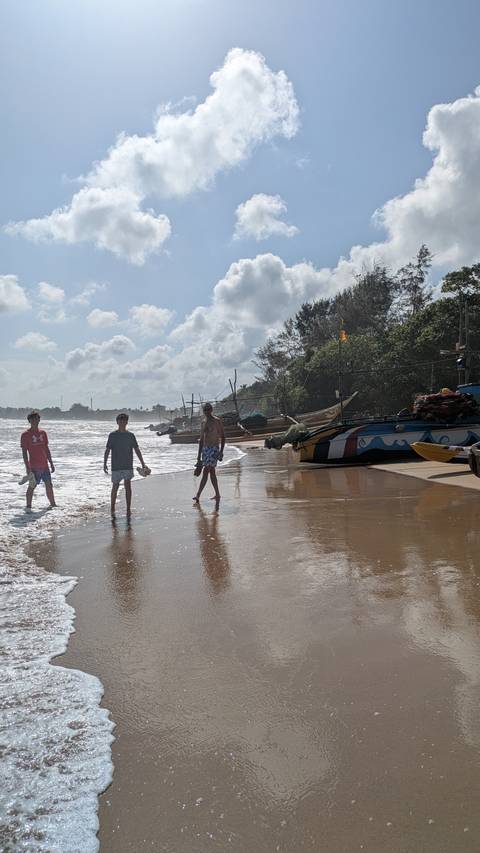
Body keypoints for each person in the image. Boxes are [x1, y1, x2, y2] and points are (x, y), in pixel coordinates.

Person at [104, 413, 147, 518]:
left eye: (124, 421)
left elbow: (136, 450)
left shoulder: (130, 435)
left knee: (128, 486)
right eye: (120, 421)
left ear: (127, 422)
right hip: (116, 466)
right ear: (117, 422)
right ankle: (112, 508)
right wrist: (104, 463)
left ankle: (128, 509)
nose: (122, 422)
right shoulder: (112, 435)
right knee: (115, 486)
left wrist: (143, 463)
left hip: (128, 465)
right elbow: (107, 449)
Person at [21, 410, 56, 510]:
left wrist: (51, 463)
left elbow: (46, 448)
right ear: (29, 420)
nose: (35, 420)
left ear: (39, 420)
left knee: (49, 485)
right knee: (32, 486)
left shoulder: (43, 433)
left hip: (45, 466)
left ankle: (53, 505)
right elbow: (24, 453)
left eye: (37, 418)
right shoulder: (25, 435)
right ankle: (28, 507)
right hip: (34, 467)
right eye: (33, 419)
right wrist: (27, 468)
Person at [193, 402, 225, 504]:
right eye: (205, 410)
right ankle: (217, 494)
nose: (206, 411)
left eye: (208, 409)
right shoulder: (203, 422)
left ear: (211, 410)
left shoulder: (217, 421)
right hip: (205, 450)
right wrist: (198, 457)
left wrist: (221, 451)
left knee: (206, 471)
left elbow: (223, 437)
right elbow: (201, 440)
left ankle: (198, 495)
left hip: (214, 449)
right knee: (212, 472)